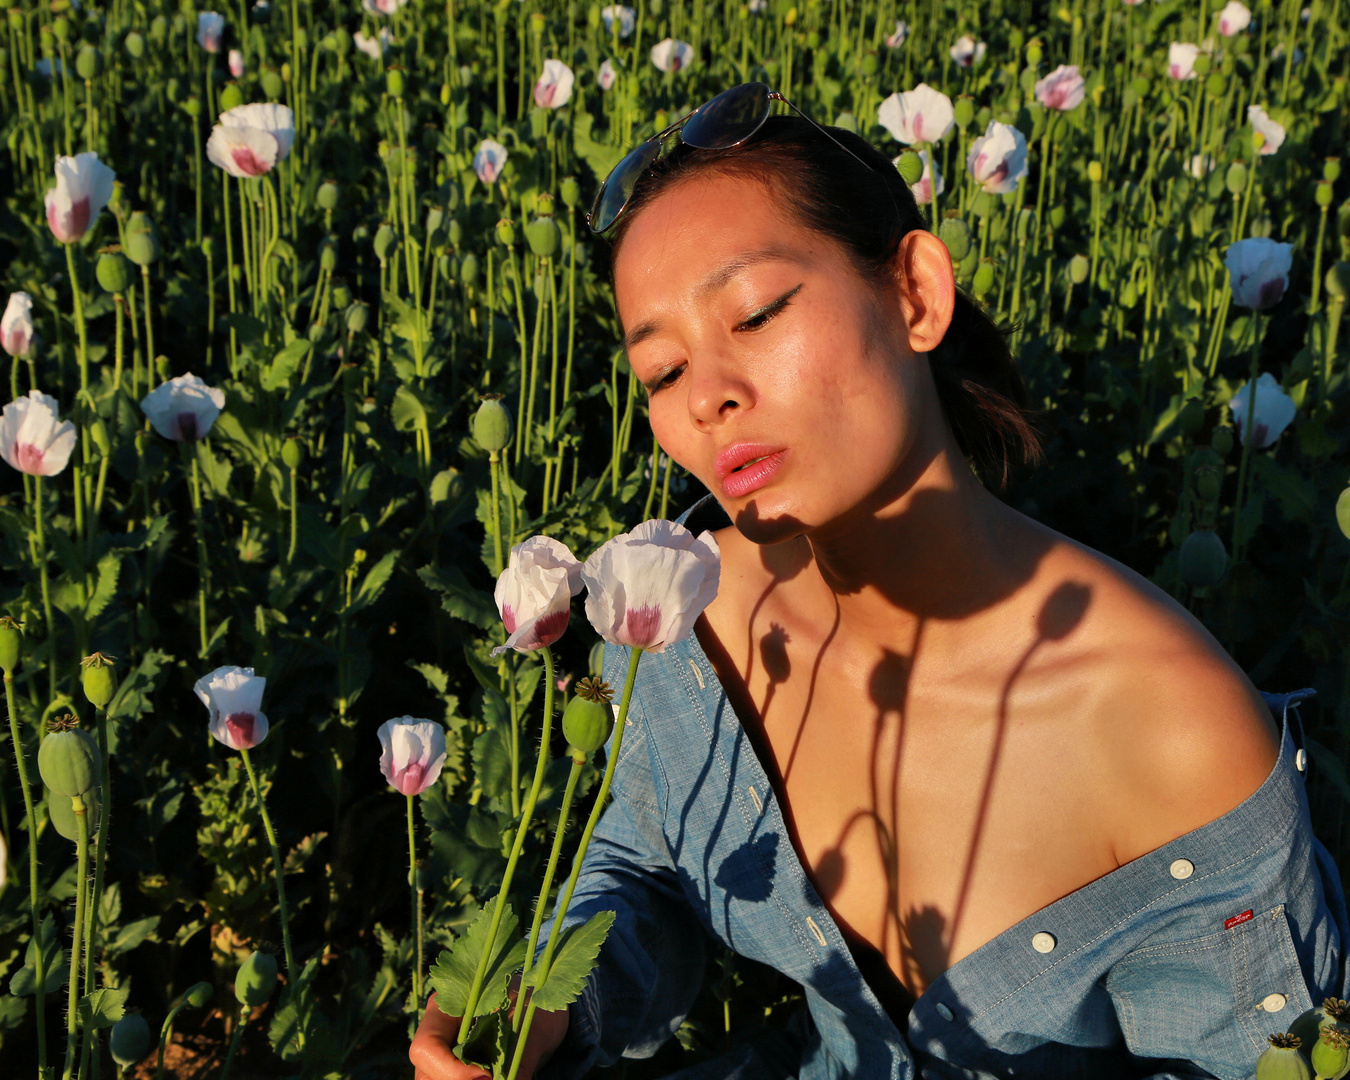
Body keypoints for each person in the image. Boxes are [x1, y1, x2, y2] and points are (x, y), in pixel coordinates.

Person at [412, 83, 1348, 1080]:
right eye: (661, 374)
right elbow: (646, 860)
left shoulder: (1167, 730)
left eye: (759, 312)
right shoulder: (689, 616)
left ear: (916, 294)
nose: (710, 398)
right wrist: (537, 999)